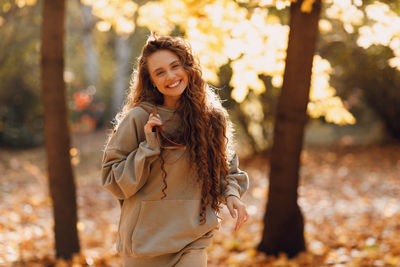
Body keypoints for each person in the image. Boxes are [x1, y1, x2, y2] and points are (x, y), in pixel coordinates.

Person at [101, 33, 249, 267]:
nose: (171, 76)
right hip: (145, 244)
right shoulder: (138, 118)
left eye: (175, 66)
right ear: (151, 80)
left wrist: (232, 194)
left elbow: (226, 169)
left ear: (188, 68)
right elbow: (113, 180)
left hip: (193, 237)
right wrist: (148, 146)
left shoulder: (211, 119)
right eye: (160, 72)